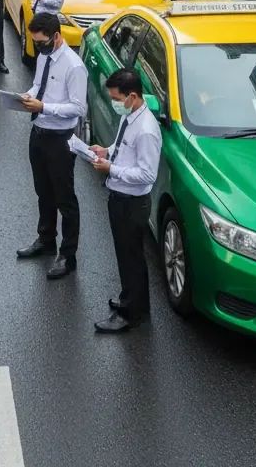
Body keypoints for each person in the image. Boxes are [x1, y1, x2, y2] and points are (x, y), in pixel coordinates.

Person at [88, 69, 161, 334]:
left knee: (132, 258)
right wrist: (106, 151)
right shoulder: (130, 116)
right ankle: (131, 300)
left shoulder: (146, 131)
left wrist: (111, 169)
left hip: (132, 203)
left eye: (117, 99)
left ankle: (132, 314)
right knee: (125, 254)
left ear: (132, 96)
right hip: (119, 197)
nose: (114, 103)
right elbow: (123, 148)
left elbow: (146, 174)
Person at [16, 12, 88, 280]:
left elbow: (79, 108)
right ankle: (46, 239)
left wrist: (45, 106)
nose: (39, 47)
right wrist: (28, 97)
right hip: (38, 133)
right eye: (36, 42)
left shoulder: (74, 66)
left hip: (60, 139)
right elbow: (38, 85)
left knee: (64, 198)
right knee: (42, 191)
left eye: (43, 42)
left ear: (57, 36)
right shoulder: (44, 56)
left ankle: (68, 255)